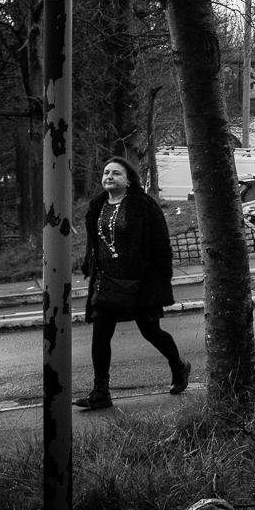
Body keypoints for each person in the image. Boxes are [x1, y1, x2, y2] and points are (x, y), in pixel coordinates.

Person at [76, 155, 190, 410]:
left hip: (141, 283)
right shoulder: (97, 205)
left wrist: (159, 279)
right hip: (107, 283)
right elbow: (94, 241)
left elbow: (161, 245)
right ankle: (101, 391)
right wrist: (88, 264)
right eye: (106, 172)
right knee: (100, 334)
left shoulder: (144, 205)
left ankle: (179, 366)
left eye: (116, 173)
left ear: (129, 181)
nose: (109, 176)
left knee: (151, 331)